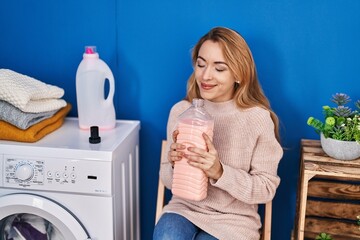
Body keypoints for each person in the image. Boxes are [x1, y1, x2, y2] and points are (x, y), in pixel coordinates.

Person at [153, 27, 283, 240]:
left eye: (219, 68)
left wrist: (220, 172)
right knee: (167, 236)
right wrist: (175, 163)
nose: (205, 75)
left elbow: (266, 188)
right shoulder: (182, 112)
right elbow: (167, 180)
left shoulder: (256, 119)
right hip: (184, 209)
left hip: (234, 219)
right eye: (201, 64)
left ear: (239, 74)